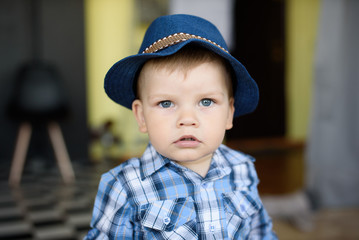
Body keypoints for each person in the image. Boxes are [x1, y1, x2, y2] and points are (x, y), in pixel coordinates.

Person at [85, 14, 277, 239]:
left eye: (206, 101)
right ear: (141, 116)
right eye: (166, 103)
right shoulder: (124, 186)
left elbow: (261, 233)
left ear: (229, 113)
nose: (187, 119)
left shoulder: (242, 170)